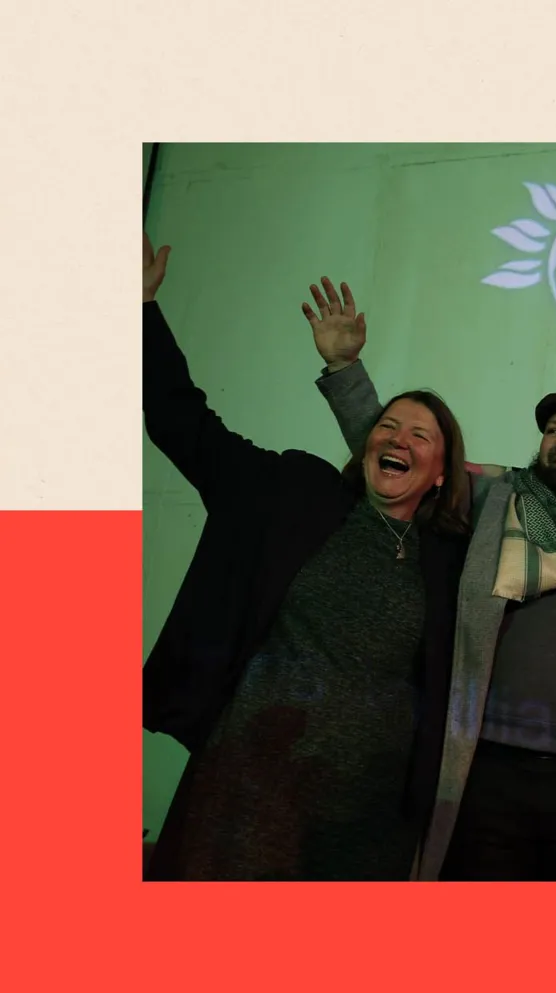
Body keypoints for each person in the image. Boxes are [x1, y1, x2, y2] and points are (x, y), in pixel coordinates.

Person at [142, 238, 473, 881]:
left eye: (419, 436)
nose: (397, 439)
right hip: (246, 786)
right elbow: (185, 424)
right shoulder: (295, 496)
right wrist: (141, 308)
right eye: (387, 427)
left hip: (367, 818)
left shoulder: (451, 556)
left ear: (439, 473)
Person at [304, 278, 556, 881]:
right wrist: (345, 368)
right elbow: (408, 462)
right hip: (486, 760)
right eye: (554, 428)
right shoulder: (498, 496)